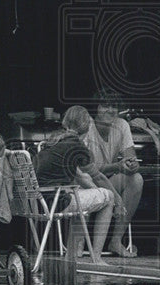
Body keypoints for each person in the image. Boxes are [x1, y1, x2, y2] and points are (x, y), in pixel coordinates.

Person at [35, 106, 123, 265]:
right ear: (87, 126)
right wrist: (117, 199)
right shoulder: (77, 146)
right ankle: (96, 257)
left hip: (37, 202)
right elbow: (99, 177)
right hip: (55, 201)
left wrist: (96, 193)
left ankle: (71, 257)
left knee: (84, 196)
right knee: (108, 197)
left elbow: (80, 177)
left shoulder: (54, 141)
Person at [82, 89, 142, 257]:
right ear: (96, 108)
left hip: (108, 180)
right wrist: (117, 167)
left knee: (136, 179)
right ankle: (78, 243)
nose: (110, 110)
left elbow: (131, 157)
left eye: (114, 106)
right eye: (105, 105)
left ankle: (116, 241)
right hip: (87, 181)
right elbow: (88, 169)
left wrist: (132, 165)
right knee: (85, 178)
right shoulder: (86, 126)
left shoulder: (122, 124)